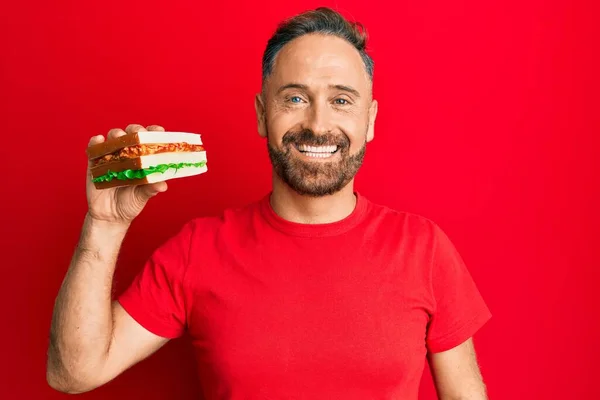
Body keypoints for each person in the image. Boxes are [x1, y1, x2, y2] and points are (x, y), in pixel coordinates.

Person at [46, 7, 492, 399]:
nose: (318, 124)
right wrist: (103, 225)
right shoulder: (198, 249)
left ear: (369, 120)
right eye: (295, 98)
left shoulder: (424, 248)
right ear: (262, 113)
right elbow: (73, 373)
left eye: (341, 101)